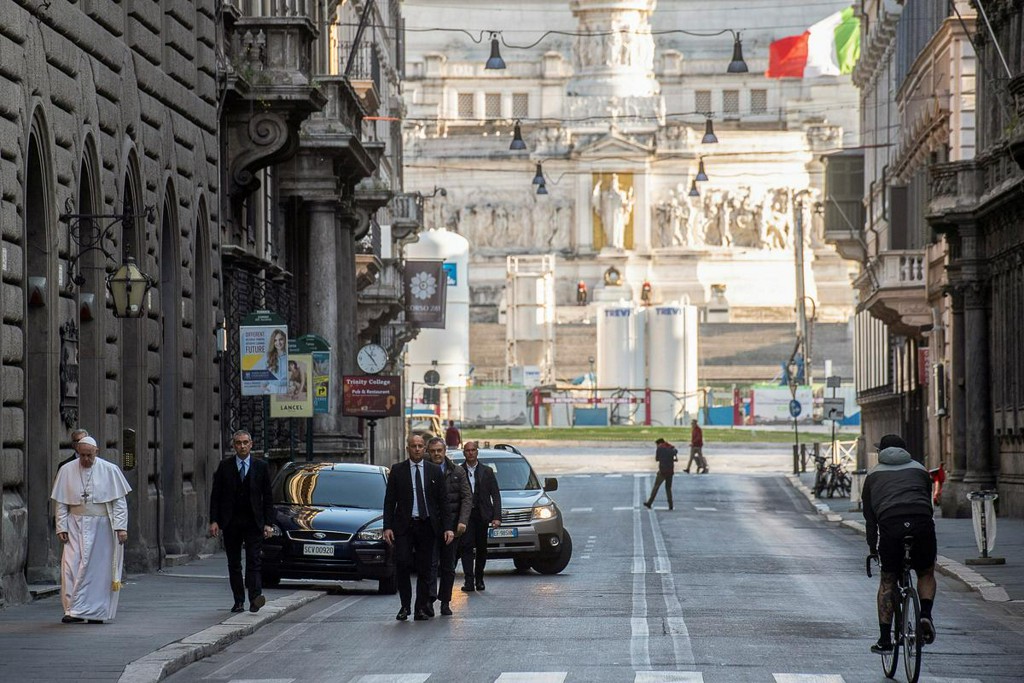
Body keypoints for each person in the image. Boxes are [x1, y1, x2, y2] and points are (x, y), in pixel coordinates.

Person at [862, 433, 937, 653]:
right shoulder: (920, 470)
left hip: (891, 526)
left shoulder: (873, 475)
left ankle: (885, 640)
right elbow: (927, 502)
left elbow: (870, 518)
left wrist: (872, 547)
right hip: (921, 523)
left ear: (880, 453)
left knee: (888, 581)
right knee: (926, 572)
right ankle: (925, 615)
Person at [50, 436, 131, 624]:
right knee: (70, 566)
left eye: (89, 455)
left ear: (97, 452)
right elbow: (61, 503)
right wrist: (61, 526)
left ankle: (96, 612)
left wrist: (121, 528)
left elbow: (119, 503)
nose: (85, 459)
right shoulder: (67, 470)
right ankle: (72, 611)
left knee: (98, 570)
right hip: (75, 524)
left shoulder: (110, 470)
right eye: (82, 455)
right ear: (77, 452)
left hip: (102, 527)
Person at [383, 434, 454, 622]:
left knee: (425, 568)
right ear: (408, 448)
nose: (417, 449)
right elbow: (390, 501)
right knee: (403, 563)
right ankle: (405, 606)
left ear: (424, 449)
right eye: (413, 446)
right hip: (404, 526)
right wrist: (387, 527)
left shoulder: (434, 471)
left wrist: (448, 527)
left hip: (427, 525)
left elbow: (443, 502)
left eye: (420, 446)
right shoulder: (398, 470)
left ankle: (420, 607)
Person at [209, 430, 275, 614]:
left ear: (251, 444)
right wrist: (214, 521)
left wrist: (268, 523)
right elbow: (216, 496)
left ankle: (255, 598)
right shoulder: (225, 466)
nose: (242, 446)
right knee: (234, 563)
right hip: (231, 522)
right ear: (234, 445)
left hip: (254, 521)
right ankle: (238, 601)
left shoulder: (261, 466)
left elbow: (268, 497)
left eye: (245, 442)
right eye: (238, 443)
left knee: (254, 561)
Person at [426, 437, 471, 616]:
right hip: (430, 526)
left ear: (445, 451)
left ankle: (445, 601)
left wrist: (462, 521)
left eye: (439, 450)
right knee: (430, 565)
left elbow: (467, 497)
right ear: (429, 452)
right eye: (433, 451)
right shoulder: (424, 470)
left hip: (452, 528)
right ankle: (429, 600)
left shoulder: (457, 471)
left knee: (448, 567)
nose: (437, 454)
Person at [459, 441, 502, 592]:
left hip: (482, 515)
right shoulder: (459, 471)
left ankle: (479, 579)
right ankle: (469, 581)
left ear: (477, 452)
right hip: (466, 516)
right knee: (466, 547)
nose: (470, 453)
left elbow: (495, 495)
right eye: (467, 450)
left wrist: (497, 517)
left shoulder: (487, 471)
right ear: (464, 453)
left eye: (473, 450)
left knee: (482, 548)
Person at [643, 438, 677, 510]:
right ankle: (670, 505)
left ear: (659, 443)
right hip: (670, 470)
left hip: (662, 471)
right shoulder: (671, 447)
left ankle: (649, 502)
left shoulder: (660, 448)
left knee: (656, 487)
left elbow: (657, 459)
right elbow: (675, 456)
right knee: (668, 488)